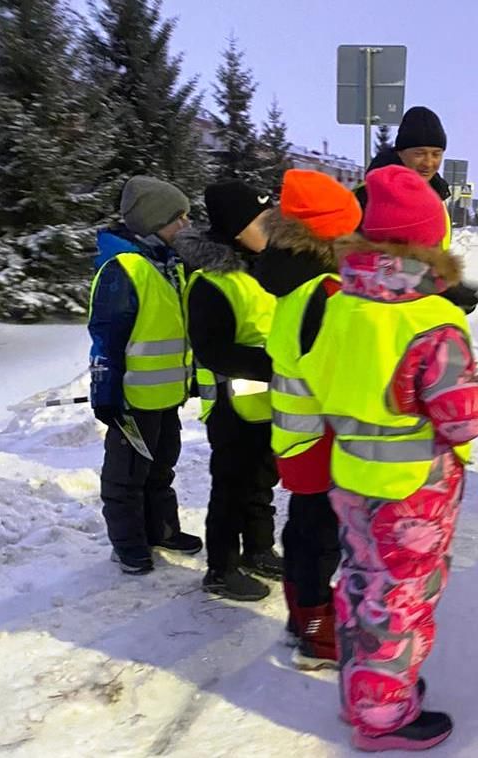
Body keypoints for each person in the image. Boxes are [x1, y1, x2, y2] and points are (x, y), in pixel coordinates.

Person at [300, 165, 478, 751]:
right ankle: (383, 715)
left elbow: (310, 384)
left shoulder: (341, 306)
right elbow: (462, 416)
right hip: (413, 492)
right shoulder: (433, 321)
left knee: (362, 586)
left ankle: (362, 693)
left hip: (351, 480)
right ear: (431, 243)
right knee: (399, 601)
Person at [255, 169, 363, 669]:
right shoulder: (325, 292)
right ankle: (318, 636)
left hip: (294, 436)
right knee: (320, 542)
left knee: (301, 533)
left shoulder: (290, 283)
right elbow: (340, 373)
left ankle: (301, 619)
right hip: (321, 440)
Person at [89, 176, 203, 575]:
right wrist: (105, 391)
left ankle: (162, 530)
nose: (186, 224)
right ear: (153, 222)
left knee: (161, 467)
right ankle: (128, 544)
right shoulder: (124, 268)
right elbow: (106, 336)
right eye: (179, 217)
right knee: (126, 475)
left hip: (165, 395)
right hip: (131, 398)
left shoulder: (169, 263)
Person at [176, 180, 281, 601]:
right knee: (231, 490)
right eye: (263, 222)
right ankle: (221, 568)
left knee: (262, 483)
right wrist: (278, 365)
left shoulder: (262, 269)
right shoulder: (211, 283)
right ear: (238, 230)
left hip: (265, 404)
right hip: (230, 407)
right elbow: (215, 350)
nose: (272, 229)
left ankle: (259, 549)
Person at [355, 105, 478, 315]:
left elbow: (424, 256)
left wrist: (445, 285)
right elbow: (365, 265)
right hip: (381, 315)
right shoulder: (370, 196)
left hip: (419, 309)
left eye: (436, 154)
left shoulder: (435, 193)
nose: (429, 163)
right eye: (419, 153)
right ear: (400, 152)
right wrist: (442, 291)